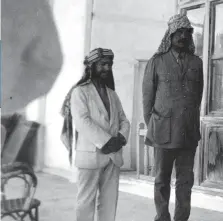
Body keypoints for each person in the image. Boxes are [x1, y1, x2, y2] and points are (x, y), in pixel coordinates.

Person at [142, 14, 203, 221]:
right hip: (163, 132)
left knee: (186, 182)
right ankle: (162, 218)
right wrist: (155, 125)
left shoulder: (197, 62)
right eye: (179, 32)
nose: (183, 36)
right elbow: (147, 101)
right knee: (161, 180)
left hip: (188, 133)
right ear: (170, 34)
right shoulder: (156, 62)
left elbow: (197, 97)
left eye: (187, 32)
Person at [61, 48, 130, 221]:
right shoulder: (80, 92)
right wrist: (107, 141)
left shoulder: (112, 94)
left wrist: (121, 138)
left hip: (113, 156)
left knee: (109, 202)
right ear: (91, 66)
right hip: (90, 155)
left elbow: (124, 120)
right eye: (103, 64)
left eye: (110, 64)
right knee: (86, 202)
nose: (107, 68)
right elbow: (82, 122)